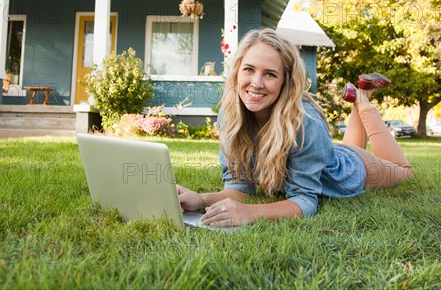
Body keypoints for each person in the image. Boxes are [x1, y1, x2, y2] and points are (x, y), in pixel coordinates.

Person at [177, 28, 414, 227]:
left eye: (269, 74)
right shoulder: (230, 117)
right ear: (237, 71)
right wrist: (201, 199)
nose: (256, 83)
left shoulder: (306, 122)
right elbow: (239, 187)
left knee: (405, 171)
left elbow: (304, 201)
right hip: (326, 156)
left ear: (286, 82)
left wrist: (249, 213)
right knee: (345, 147)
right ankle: (359, 93)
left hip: (354, 171)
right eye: (249, 69)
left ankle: (362, 98)